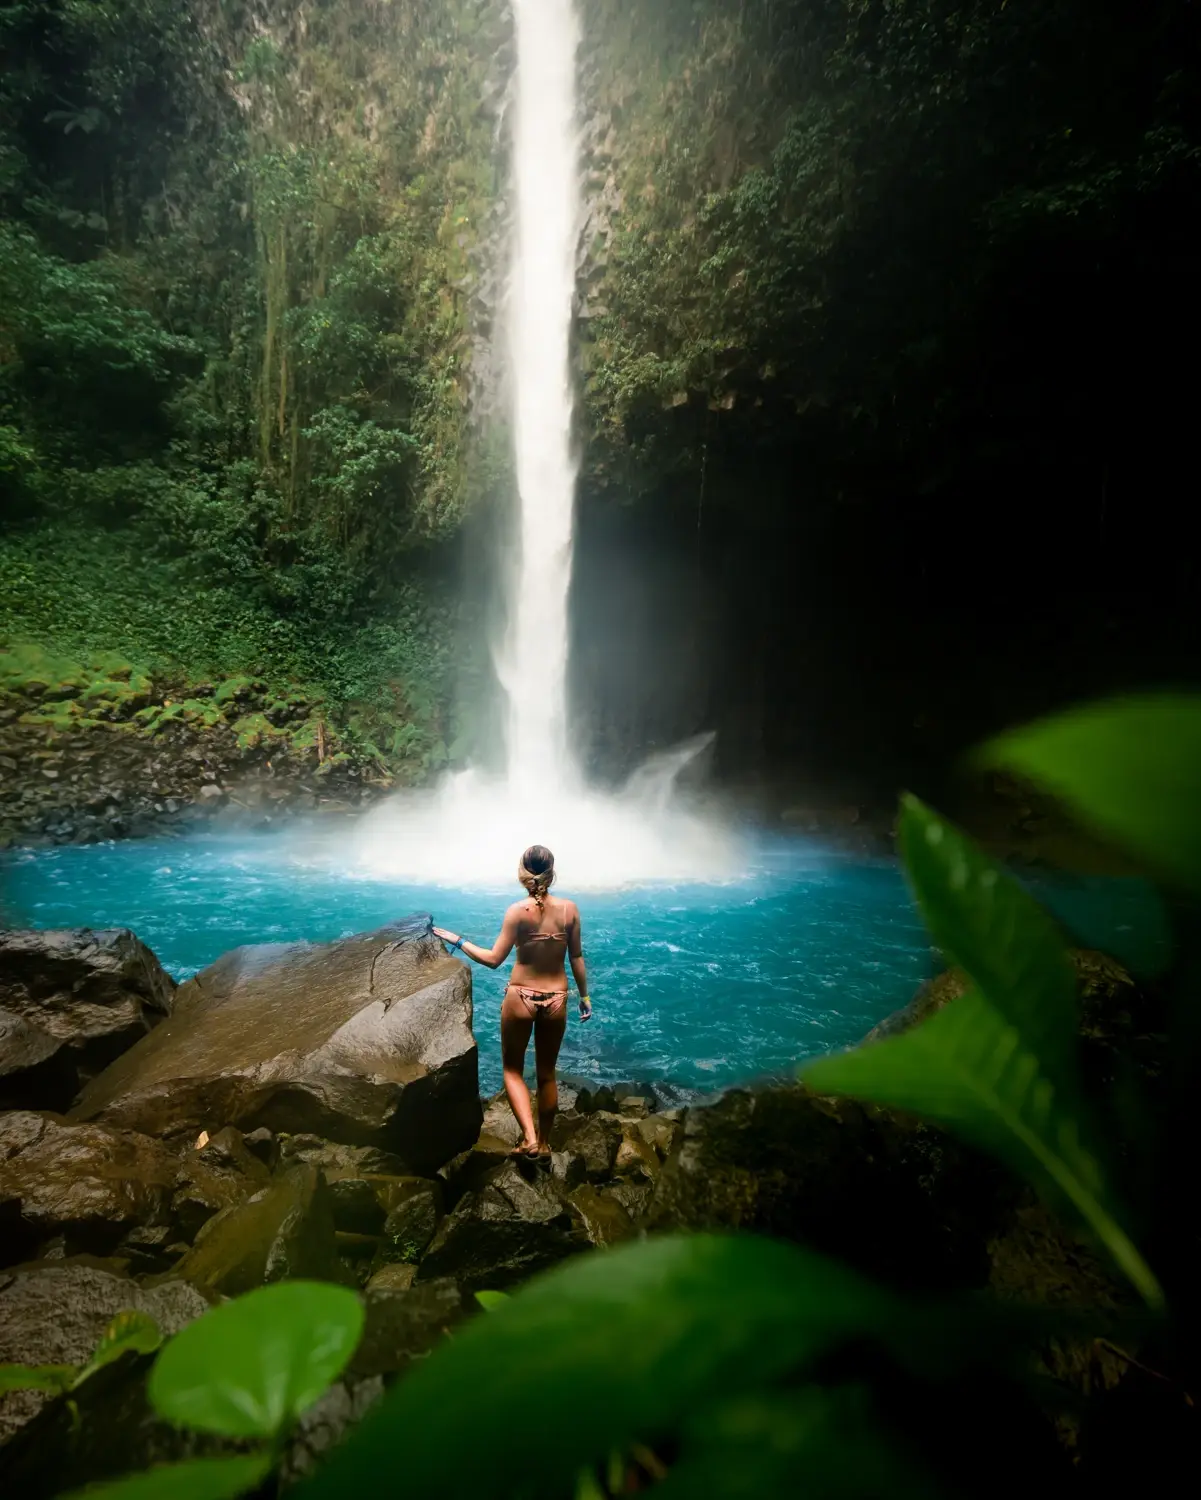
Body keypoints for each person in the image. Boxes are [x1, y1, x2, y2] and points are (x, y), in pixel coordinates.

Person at [433, 845, 591, 1160]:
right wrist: (584, 996)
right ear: (551, 872)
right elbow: (576, 956)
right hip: (557, 999)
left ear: (522, 873)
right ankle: (545, 1144)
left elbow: (493, 960)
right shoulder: (569, 910)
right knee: (547, 1074)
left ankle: (529, 1139)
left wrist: (458, 940)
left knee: (512, 1069)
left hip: (521, 996)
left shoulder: (517, 912)